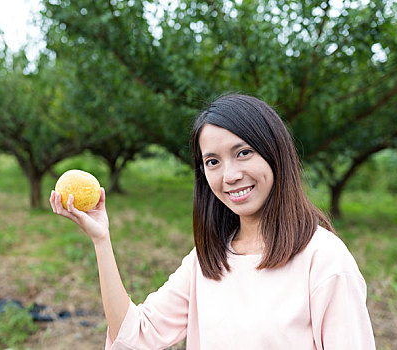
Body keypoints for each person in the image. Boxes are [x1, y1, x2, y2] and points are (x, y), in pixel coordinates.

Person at [49, 94, 376, 349]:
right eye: (213, 161)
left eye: (244, 152)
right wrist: (101, 240)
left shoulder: (324, 261)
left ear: (274, 151)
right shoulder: (209, 260)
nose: (230, 175)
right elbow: (135, 335)